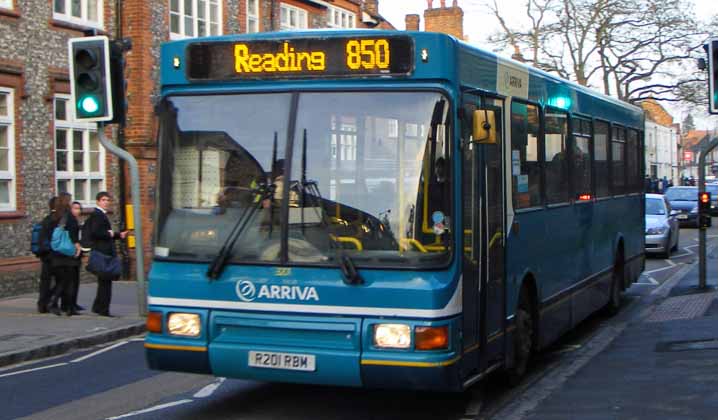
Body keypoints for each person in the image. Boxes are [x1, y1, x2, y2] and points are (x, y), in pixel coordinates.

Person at [85, 192, 127, 317]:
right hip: (103, 253)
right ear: (97, 201)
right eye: (103, 200)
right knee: (105, 283)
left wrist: (117, 234)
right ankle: (103, 309)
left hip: (102, 252)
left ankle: (98, 307)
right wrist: (112, 234)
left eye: (108, 200)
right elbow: (97, 232)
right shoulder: (98, 215)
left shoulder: (99, 215)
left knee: (103, 282)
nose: (106, 202)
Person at [48, 193, 82, 316]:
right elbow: (73, 233)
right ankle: (67, 306)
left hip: (56, 252)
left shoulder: (54, 216)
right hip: (67, 253)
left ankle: (56, 303)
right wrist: (77, 246)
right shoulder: (69, 216)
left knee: (61, 281)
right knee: (69, 281)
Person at [36, 196, 57, 313]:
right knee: (63, 280)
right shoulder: (55, 220)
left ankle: (42, 304)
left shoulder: (46, 219)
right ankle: (48, 301)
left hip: (45, 254)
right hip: (52, 254)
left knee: (45, 280)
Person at [70, 201, 85, 312]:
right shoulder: (71, 222)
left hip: (77, 254)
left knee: (75, 280)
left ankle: (74, 303)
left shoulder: (77, 221)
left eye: (79, 208)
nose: (77, 211)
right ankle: (70, 304)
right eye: (75, 208)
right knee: (71, 281)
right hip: (72, 254)